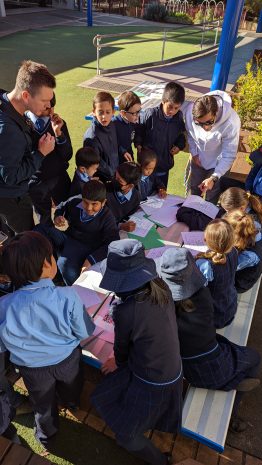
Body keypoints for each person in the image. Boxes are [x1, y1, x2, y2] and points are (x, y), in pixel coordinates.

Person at [0, 231, 95, 449]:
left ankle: (46, 436)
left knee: (42, 405)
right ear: (46, 264)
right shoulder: (68, 295)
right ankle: (71, 402)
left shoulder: (4, 305)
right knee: (72, 386)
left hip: (32, 370)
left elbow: (3, 345)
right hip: (68, 360)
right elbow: (83, 331)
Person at [91, 239, 182, 465]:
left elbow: (121, 348)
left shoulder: (125, 309)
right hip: (171, 368)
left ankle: (160, 461)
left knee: (126, 437)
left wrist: (117, 362)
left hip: (152, 378)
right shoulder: (161, 286)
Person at [155, 247, 260, 432]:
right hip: (209, 364)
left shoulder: (160, 307)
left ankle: (229, 386)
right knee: (254, 358)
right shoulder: (203, 296)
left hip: (179, 363)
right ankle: (232, 397)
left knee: (226, 346)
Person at [0, 60, 56, 232]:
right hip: (11, 202)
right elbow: (10, 176)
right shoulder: (9, 131)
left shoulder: (6, 103)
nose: (49, 106)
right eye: (44, 101)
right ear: (25, 96)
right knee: (23, 246)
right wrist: (40, 153)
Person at [38, 180, 120, 285]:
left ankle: (76, 288)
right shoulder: (75, 201)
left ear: (103, 202)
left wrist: (91, 259)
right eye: (86, 202)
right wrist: (58, 216)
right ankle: (50, 270)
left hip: (86, 247)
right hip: (68, 238)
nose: (89, 208)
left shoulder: (107, 217)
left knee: (64, 264)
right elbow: (61, 206)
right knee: (40, 229)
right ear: (82, 198)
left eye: (94, 204)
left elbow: (113, 242)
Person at [184, 91, 241, 203]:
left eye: (209, 122)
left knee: (212, 196)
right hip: (198, 159)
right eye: (199, 124)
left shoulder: (232, 122)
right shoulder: (190, 111)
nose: (205, 127)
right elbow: (190, 134)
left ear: (216, 112)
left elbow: (228, 155)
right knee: (194, 190)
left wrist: (214, 177)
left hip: (218, 164)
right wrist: (194, 153)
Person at [27, 93, 73, 225]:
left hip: (60, 179)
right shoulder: (23, 124)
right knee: (44, 222)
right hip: (37, 184)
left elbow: (67, 155)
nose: (51, 111)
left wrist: (59, 133)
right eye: (47, 107)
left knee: (69, 213)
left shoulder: (59, 124)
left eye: (52, 106)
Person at [135, 81, 186, 188]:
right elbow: (138, 130)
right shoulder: (150, 114)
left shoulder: (178, 118)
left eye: (176, 108)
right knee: (143, 195)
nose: (172, 111)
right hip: (146, 166)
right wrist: (138, 145)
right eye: (170, 107)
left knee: (160, 196)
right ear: (163, 101)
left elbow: (181, 135)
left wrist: (179, 146)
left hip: (164, 166)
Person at [196, 219, 238, 328]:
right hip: (230, 305)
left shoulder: (205, 265)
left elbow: (196, 288)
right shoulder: (233, 251)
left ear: (205, 240)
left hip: (215, 316)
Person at [83, 91, 119, 183]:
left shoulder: (112, 125)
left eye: (108, 112)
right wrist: (112, 174)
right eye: (100, 112)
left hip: (114, 174)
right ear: (94, 112)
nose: (104, 116)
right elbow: (95, 163)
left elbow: (115, 144)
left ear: (113, 112)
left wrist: (123, 151)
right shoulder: (92, 137)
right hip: (102, 181)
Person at [224, 209, 262, 293]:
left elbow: (228, 268)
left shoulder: (250, 255)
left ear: (237, 235)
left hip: (239, 282)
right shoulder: (250, 225)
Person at [106, 162, 141, 232]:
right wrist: (120, 226)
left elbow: (130, 217)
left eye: (119, 181)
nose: (114, 180)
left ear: (130, 186)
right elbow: (101, 221)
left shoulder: (136, 197)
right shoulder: (105, 192)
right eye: (115, 176)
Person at [114, 91, 141, 163]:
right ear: (123, 113)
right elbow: (112, 144)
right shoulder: (114, 125)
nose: (137, 116)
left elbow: (137, 134)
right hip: (117, 161)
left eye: (139, 111)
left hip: (129, 157)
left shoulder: (133, 121)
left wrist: (138, 143)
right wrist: (123, 151)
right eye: (134, 113)